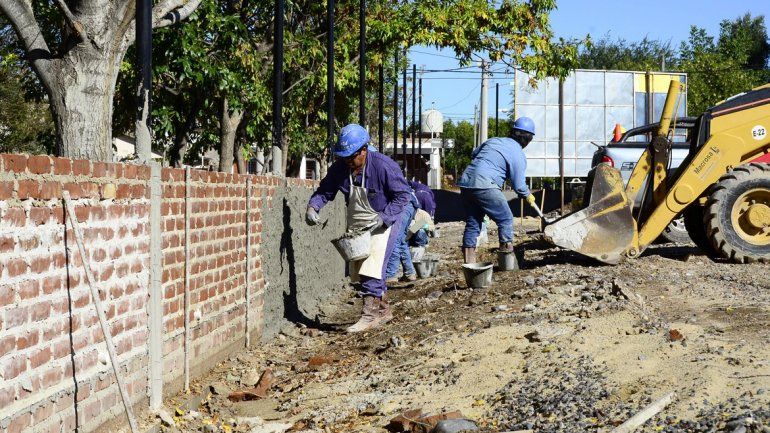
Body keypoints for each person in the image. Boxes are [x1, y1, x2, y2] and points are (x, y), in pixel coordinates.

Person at [306, 124, 411, 332]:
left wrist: (384, 218)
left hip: (386, 218)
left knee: (372, 264)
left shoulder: (383, 166)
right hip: (359, 222)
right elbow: (325, 190)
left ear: (363, 150)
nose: (348, 161)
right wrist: (313, 207)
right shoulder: (341, 169)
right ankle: (382, 310)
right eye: (344, 157)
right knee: (359, 265)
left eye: (351, 157)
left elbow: (403, 196)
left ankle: (369, 315)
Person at [457, 117, 538, 264]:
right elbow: (519, 184)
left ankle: (470, 265)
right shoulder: (517, 153)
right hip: (486, 185)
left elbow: (474, 155)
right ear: (527, 139)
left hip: (466, 183)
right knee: (506, 218)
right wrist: (528, 195)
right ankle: (507, 260)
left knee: (473, 222)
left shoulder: (493, 140)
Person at [384, 193, 419, 283]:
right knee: (401, 241)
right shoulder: (414, 202)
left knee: (395, 239)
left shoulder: (422, 215)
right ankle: (410, 273)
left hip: (419, 224)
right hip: (409, 206)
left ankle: (391, 275)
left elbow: (422, 225)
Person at [407, 180, 435, 248]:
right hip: (411, 235)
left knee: (420, 230)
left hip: (419, 235)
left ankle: (421, 244)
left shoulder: (423, 215)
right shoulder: (409, 213)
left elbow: (431, 226)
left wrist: (423, 226)